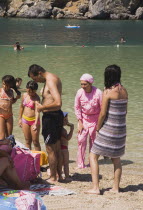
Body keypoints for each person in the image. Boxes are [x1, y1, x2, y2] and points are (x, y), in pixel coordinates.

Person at [85, 64, 128, 195]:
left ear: (108, 76)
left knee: (93, 155)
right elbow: (125, 112)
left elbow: (103, 114)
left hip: (108, 129)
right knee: (116, 159)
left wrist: (98, 128)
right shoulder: (124, 91)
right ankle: (115, 188)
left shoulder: (108, 92)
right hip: (121, 130)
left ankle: (95, 188)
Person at [28, 64, 63, 183]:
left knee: (50, 149)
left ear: (39, 73)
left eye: (34, 78)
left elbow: (58, 102)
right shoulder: (53, 78)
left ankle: (53, 177)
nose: (35, 81)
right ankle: (59, 175)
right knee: (57, 148)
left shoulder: (50, 80)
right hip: (55, 116)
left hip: (51, 118)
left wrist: (42, 108)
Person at [74, 73, 102, 169]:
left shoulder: (98, 92)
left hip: (95, 119)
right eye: (81, 84)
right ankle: (81, 164)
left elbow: (102, 108)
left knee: (94, 142)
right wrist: (80, 122)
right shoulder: (79, 92)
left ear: (90, 83)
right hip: (84, 119)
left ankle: (92, 163)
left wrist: (100, 124)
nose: (83, 86)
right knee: (81, 140)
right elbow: (77, 107)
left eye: (85, 84)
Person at [18, 80, 41, 151]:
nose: (31, 93)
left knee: (35, 141)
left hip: (34, 121)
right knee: (27, 141)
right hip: (25, 120)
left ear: (35, 90)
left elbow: (37, 111)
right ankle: (29, 158)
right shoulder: (24, 95)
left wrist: (35, 123)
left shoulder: (37, 98)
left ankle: (38, 160)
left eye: (33, 91)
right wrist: (19, 119)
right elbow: (21, 107)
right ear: (26, 89)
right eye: (29, 91)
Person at [0, 75, 21, 139]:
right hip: (1, 116)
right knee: (2, 136)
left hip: (9, 116)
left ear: (10, 85)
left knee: (9, 136)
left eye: (7, 85)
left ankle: (9, 148)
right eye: (3, 84)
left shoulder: (11, 91)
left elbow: (11, 102)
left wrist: (16, 98)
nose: (4, 86)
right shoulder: (0, 91)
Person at [61, 112, 74, 182]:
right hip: (64, 148)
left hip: (59, 148)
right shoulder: (63, 130)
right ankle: (67, 177)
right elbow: (68, 138)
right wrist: (72, 129)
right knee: (66, 164)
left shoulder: (57, 129)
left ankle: (58, 174)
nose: (67, 121)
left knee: (59, 163)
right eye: (65, 120)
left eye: (67, 119)